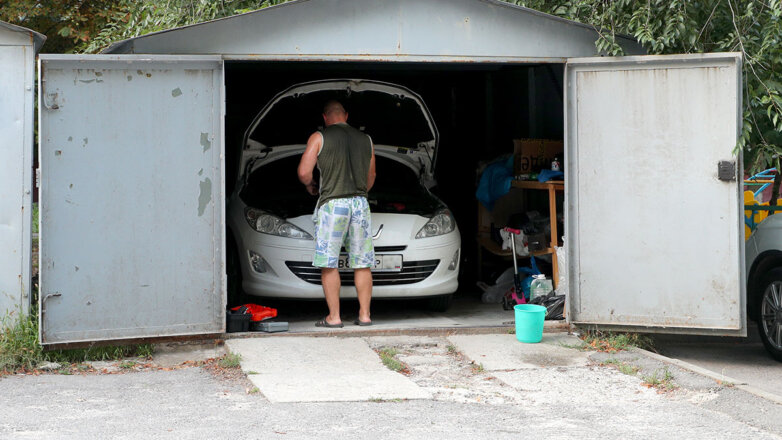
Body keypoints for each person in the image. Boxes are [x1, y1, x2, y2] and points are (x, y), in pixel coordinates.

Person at [297, 100, 376, 328]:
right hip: (360, 204)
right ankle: (364, 316)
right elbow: (371, 176)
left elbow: (304, 172)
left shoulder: (319, 137)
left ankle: (334, 317)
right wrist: (359, 192)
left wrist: (311, 185)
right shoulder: (366, 139)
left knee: (329, 263)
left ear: (325, 117)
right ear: (346, 115)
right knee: (362, 263)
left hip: (333, 205)